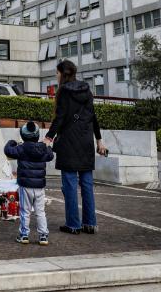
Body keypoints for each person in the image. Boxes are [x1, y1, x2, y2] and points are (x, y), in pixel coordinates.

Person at [44, 59, 107, 235]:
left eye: (56, 73)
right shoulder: (86, 89)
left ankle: (73, 224)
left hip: (69, 143)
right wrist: (99, 140)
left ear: (62, 74)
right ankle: (90, 223)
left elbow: (61, 117)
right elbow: (92, 116)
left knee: (70, 185)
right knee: (87, 184)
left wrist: (49, 137)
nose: (56, 76)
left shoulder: (64, 91)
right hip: (86, 141)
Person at [4, 121, 54, 245]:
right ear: (37, 135)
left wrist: (12, 142)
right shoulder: (43, 148)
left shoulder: (22, 148)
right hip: (39, 187)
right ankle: (43, 236)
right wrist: (46, 146)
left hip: (25, 185)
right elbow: (50, 155)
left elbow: (8, 150)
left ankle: (24, 235)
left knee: (25, 211)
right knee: (40, 211)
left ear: (23, 135)